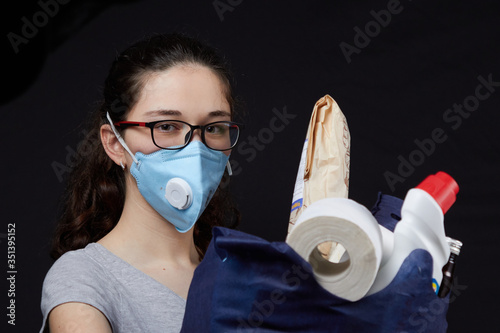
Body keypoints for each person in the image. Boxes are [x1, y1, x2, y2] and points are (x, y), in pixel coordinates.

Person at [40, 33, 241, 333]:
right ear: (114, 144)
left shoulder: (240, 276)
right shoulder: (84, 279)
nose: (196, 150)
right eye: (167, 126)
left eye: (213, 127)